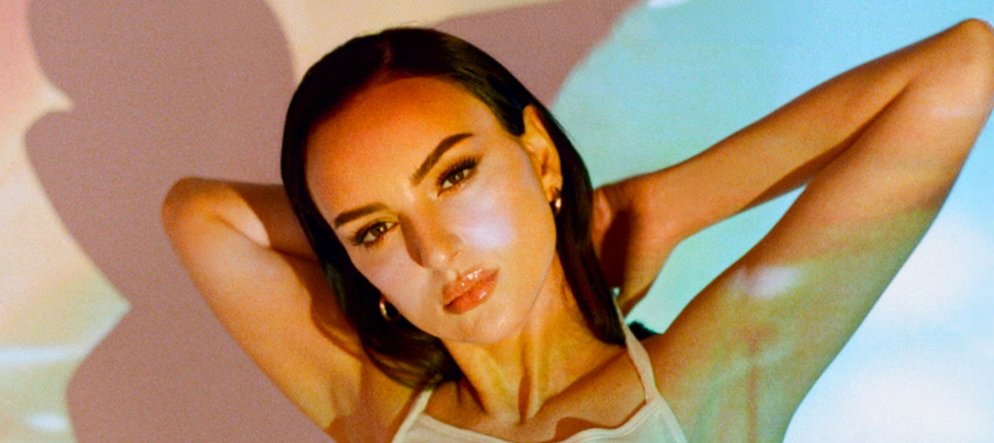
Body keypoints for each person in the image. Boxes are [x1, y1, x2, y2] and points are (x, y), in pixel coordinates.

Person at [162, 21, 994, 442]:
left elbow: (963, 63)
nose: (435, 250)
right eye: (376, 229)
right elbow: (199, 216)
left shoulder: (705, 384)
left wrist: (663, 201)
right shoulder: (381, 409)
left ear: (538, 155)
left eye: (454, 176)